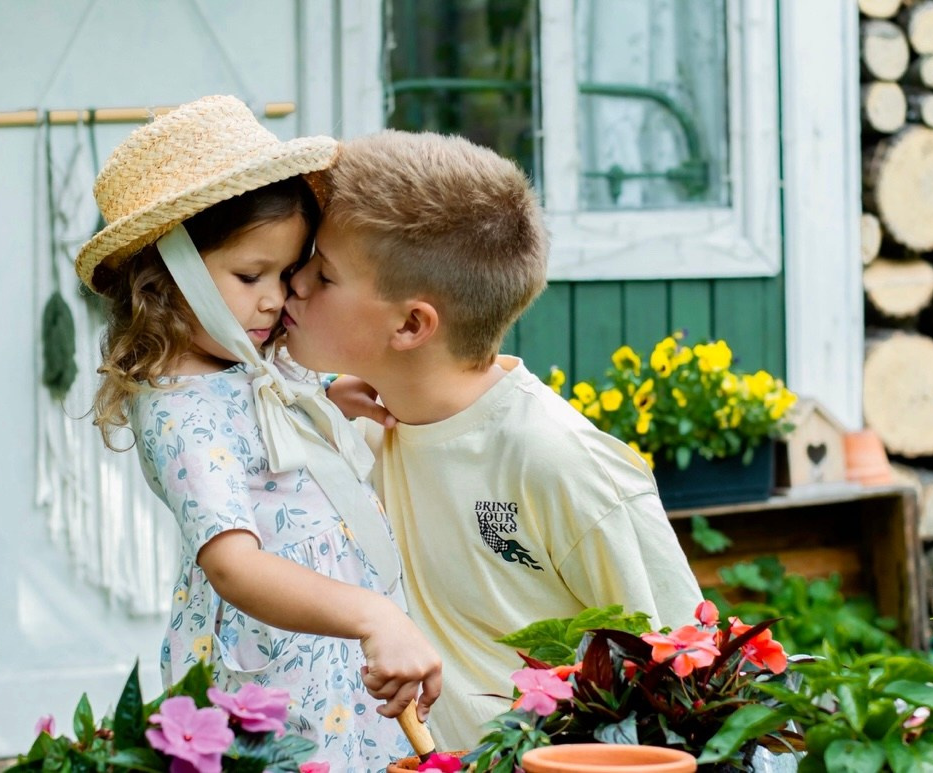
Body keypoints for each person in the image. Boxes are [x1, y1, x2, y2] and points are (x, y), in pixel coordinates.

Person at [282, 129, 705, 750]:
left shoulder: (559, 462)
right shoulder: (360, 426)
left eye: (324, 274)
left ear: (410, 324)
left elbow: (690, 678)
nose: (293, 283)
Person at [78, 97, 440, 770]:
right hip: (273, 666)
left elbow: (259, 425)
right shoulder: (177, 408)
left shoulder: (243, 361)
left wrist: (325, 396)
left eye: (285, 272)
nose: (276, 297)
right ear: (168, 276)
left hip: (328, 647)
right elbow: (233, 563)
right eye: (250, 276)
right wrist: (370, 615)